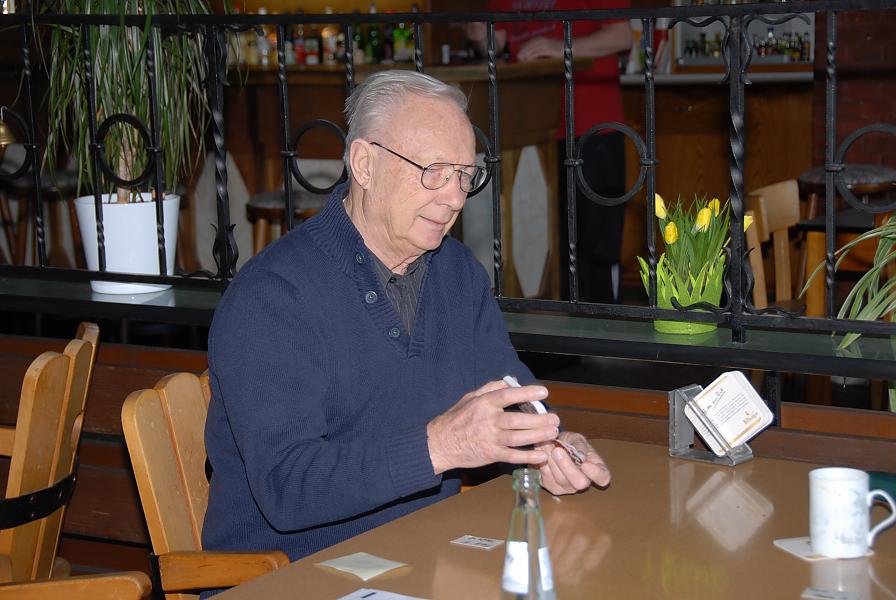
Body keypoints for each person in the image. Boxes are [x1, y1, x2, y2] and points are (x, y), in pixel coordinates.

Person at [202, 70, 610, 562]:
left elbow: (510, 398)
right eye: (433, 170)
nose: (455, 197)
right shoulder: (273, 296)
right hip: (293, 575)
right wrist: (440, 447)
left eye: (464, 176)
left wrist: (550, 449)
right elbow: (288, 488)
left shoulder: (457, 275)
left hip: (425, 556)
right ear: (365, 164)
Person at [464, 0, 632, 303]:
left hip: (594, 125)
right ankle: (556, 328)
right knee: (547, 246)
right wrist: (479, 37)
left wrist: (560, 47)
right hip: (532, 131)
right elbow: (496, 42)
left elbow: (622, 36)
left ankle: (604, 325)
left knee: (597, 248)